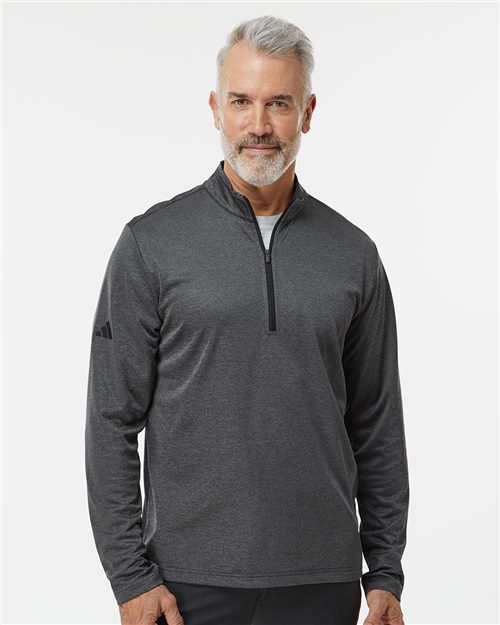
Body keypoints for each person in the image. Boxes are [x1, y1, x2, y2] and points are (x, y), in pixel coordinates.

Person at [85, 14, 409, 625]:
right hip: (185, 586)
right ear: (216, 109)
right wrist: (130, 577)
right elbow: (110, 420)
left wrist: (385, 570)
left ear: (307, 112)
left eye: (279, 103)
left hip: (324, 580)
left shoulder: (353, 255)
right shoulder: (151, 244)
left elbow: (377, 421)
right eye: (241, 101)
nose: (259, 125)